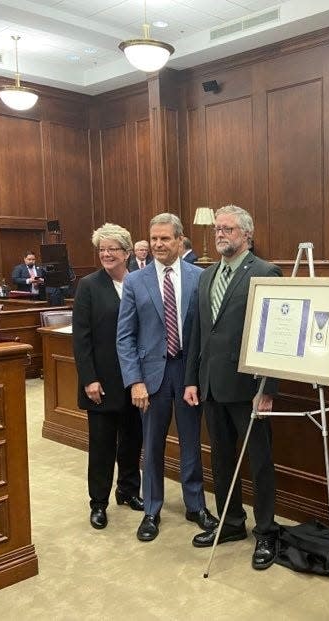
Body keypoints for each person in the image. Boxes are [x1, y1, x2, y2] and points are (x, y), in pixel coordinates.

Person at [183, 204, 282, 570]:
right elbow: (197, 332)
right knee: (222, 460)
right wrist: (191, 379)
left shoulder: (266, 271)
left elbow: (276, 335)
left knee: (259, 463)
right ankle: (231, 523)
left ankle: (267, 531)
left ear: (246, 234)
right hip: (211, 386)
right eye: (217, 229)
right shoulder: (206, 276)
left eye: (228, 228)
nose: (220, 234)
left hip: (249, 389)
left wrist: (269, 387)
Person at [117, 213, 218, 542]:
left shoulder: (199, 277)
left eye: (165, 239)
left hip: (188, 374)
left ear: (179, 241)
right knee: (153, 444)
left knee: (191, 442)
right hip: (151, 377)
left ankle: (195, 505)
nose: (158, 244)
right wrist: (135, 381)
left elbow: (204, 331)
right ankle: (151, 509)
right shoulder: (135, 280)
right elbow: (125, 337)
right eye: (154, 238)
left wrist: (198, 375)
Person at [72, 224, 144, 530]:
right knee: (102, 446)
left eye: (112, 248)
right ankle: (98, 502)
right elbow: (81, 337)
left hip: (135, 380)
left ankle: (128, 491)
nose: (106, 254)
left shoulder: (140, 283)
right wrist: (89, 378)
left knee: (132, 440)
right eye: (102, 249)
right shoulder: (88, 285)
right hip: (101, 382)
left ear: (127, 252)